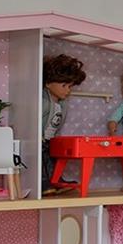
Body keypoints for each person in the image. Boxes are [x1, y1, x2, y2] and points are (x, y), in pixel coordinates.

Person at [41, 53, 87, 193]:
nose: (68, 90)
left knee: (54, 159)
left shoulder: (61, 103)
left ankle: (56, 180)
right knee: (42, 160)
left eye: (70, 86)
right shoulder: (43, 101)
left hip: (51, 139)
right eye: (64, 85)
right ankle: (43, 182)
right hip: (40, 139)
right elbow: (35, 119)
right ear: (48, 83)